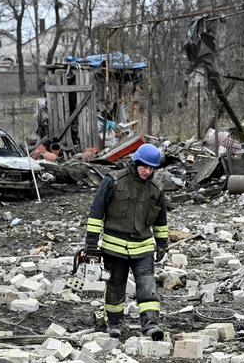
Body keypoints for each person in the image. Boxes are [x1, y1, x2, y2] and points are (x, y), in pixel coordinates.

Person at [85, 143, 168, 340]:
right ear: (136, 162)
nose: (147, 171)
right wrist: (91, 243)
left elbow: (160, 219)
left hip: (143, 247)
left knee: (148, 287)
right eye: (144, 166)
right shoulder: (113, 181)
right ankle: (114, 324)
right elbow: (96, 212)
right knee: (116, 286)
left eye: (151, 168)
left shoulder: (157, 189)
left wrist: (162, 243)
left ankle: (151, 325)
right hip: (115, 247)